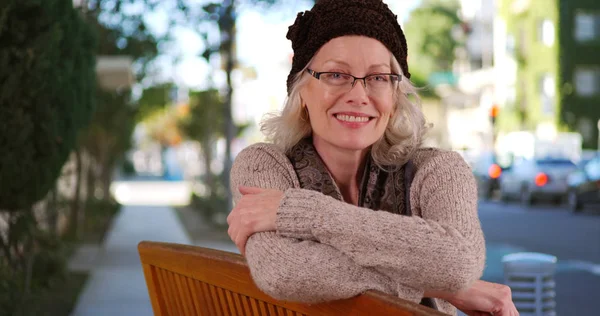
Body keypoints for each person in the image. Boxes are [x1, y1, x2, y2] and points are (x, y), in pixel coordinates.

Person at [226, 0, 518, 315]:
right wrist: (434, 283)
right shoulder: (262, 165)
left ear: (395, 95)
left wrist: (301, 212)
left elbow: (458, 264)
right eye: (336, 74)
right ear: (301, 88)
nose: (358, 95)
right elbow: (285, 271)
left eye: (378, 78)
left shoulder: (438, 170)